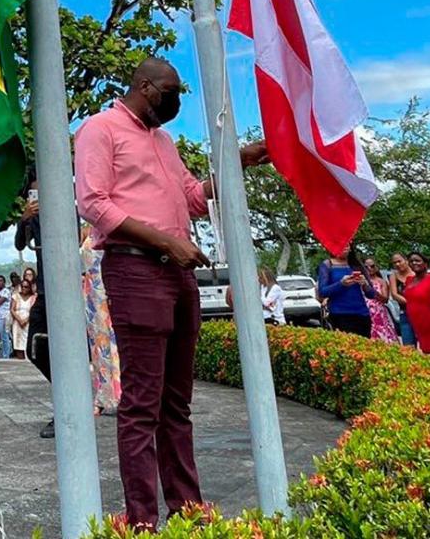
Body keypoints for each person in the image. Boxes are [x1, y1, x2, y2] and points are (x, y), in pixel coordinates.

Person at [75, 57, 269, 531]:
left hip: (178, 273)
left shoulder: (162, 140)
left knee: (176, 404)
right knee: (142, 404)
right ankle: (142, 519)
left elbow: (193, 199)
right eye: (171, 91)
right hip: (136, 269)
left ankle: (187, 509)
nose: (176, 100)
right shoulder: (100, 129)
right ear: (144, 86)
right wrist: (164, 242)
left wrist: (237, 163)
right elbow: (93, 203)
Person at [15, 176, 55, 437]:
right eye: (33, 192)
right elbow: (20, 243)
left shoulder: (66, 209)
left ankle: (69, 404)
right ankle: (66, 396)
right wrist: (24, 219)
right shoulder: (33, 218)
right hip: (45, 288)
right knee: (36, 347)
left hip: (65, 287)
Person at [81, 224, 121, 415]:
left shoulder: (115, 228)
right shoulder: (85, 232)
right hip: (93, 297)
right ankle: (104, 395)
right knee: (99, 346)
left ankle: (120, 394)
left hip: (112, 290)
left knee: (116, 343)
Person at [317, 250, 374, 337]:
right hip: (340, 314)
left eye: (348, 245)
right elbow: (322, 292)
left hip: (362, 314)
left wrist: (365, 284)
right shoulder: (327, 265)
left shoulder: (356, 265)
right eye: (342, 246)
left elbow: (372, 294)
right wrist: (341, 284)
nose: (345, 248)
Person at [402, 252, 430, 358]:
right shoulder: (409, 280)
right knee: (426, 353)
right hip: (418, 324)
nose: (414, 263)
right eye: (411, 261)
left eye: (417, 260)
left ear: (425, 264)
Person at [363, 258, 398, 343]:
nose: (369, 269)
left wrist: (372, 291)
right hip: (364, 312)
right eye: (366, 267)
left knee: (383, 337)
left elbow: (385, 299)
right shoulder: (361, 280)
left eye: (372, 266)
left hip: (378, 313)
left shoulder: (382, 281)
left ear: (376, 267)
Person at [388, 252, 416, 346]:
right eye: (394, 263)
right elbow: (394, 294)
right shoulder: (393, 276)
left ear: (406, 260)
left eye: (399, 261)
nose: (397, 264)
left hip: (420, 312)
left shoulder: (415, 273)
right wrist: (409, 303)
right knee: (408, 345)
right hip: (405, 312)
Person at [10, 278, 36, 359]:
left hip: (28, 322)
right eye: (22, 286)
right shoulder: (16, 296)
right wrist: (19, 320)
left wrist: (25, 320)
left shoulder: (33, 297)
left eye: (26, 287)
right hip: (17, 322)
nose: (24, 288)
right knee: (18, 344)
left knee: (27, 342)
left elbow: (33, 310)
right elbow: (12, 309)